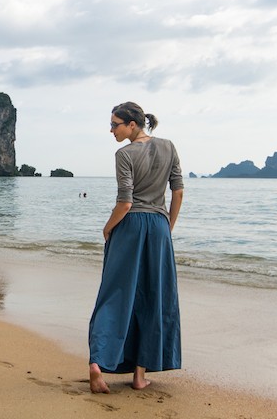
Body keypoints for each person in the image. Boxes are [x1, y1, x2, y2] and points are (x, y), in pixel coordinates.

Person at [89, 102, 184, 393]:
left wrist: (108, 227)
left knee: (115, 294)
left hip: (130, 226)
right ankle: (139, 377)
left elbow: (126, 201)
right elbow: (178, 190)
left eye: (115, 124)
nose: (111, 130)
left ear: (133, 125)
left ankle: (98, 363)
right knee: (152, 297)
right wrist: (167, 226)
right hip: (158, 227)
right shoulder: (169, 147)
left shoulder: (125, 154)